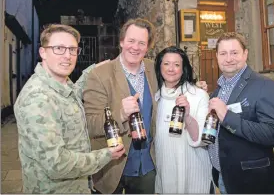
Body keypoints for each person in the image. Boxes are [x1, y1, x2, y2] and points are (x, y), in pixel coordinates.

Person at [83, 18, 208, 194]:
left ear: (147, 47)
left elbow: (174, 82)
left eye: (141, 43)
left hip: (148, 167)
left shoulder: (153, 69)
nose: (135, 47)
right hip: (112, 168)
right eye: (131, 41)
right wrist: (119, 115)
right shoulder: (99, 75)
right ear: (121, 42)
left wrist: (195, 88)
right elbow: (89, 124)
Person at [13, 24, 125, 194]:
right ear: (43, 52)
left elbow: (71, 93)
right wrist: (107, 155)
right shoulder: (38, 99)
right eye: (59, 48)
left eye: (72, 49)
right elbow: (57, 164)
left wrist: (92, 71)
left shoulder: (60, 83)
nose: (67, 56)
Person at [208, 32, 274, 194]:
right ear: (217, 56)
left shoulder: (265, 85)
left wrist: (228, 117)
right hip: (223, 177)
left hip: (251, 181)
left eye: (234, 52)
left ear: (245, 54)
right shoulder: (217, 91)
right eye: (223, 53)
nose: (228, 58)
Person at [154, 46, 212, 193]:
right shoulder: (156, 97)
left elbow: (202, 139)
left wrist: (187, 116)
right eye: (166, 64)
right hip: (165, 172)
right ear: (159, 67)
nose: (171, 69)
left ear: (183, 68)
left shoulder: (198, 95)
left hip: (193, 172)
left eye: (177, 64)